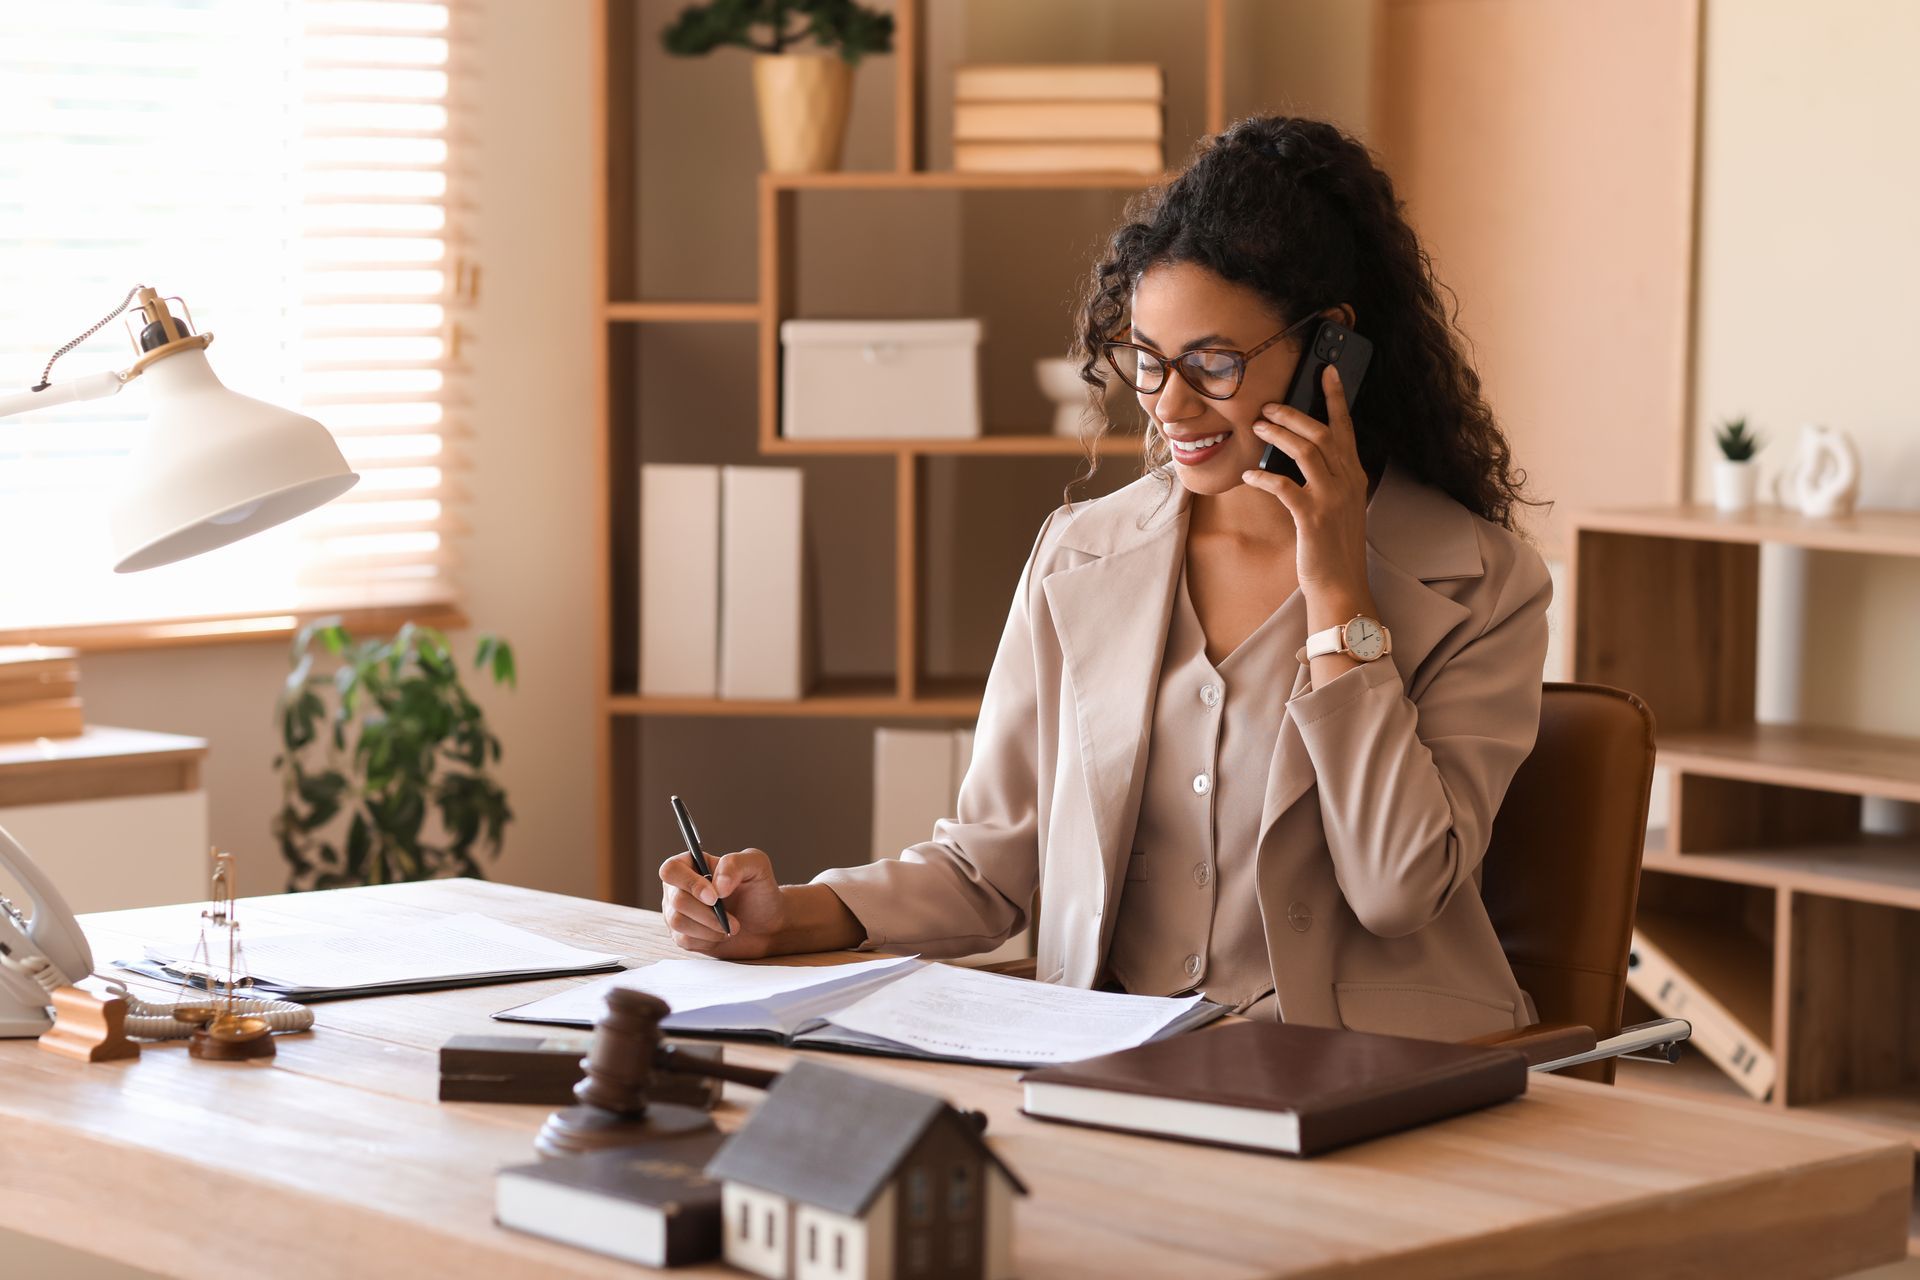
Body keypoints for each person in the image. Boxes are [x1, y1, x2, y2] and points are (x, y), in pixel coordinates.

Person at [659, 115, 1550, 1041]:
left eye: (1214, 362)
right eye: (1149, 361)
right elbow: (988, 868)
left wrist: (1338, 597)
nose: (1169, 404)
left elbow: (1398, 889)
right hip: (1116, 1068)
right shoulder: (1079, 555)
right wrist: (790, 915)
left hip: (1371, 1078)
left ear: (1332, 350)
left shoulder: (1480, 583)